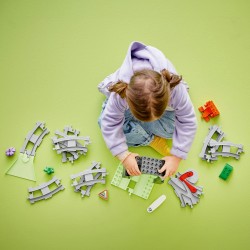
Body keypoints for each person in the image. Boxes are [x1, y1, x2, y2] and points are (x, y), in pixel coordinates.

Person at [98, 41, 197, 178]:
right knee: (103, 123)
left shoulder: (175, 89)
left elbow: (188, 120)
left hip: (159, 103)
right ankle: (150, 139)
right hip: (124, 104)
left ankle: (139, 128)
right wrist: (123, 156)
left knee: (174, 130)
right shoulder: (121, 93)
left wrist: (177, 157)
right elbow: (109, 122)